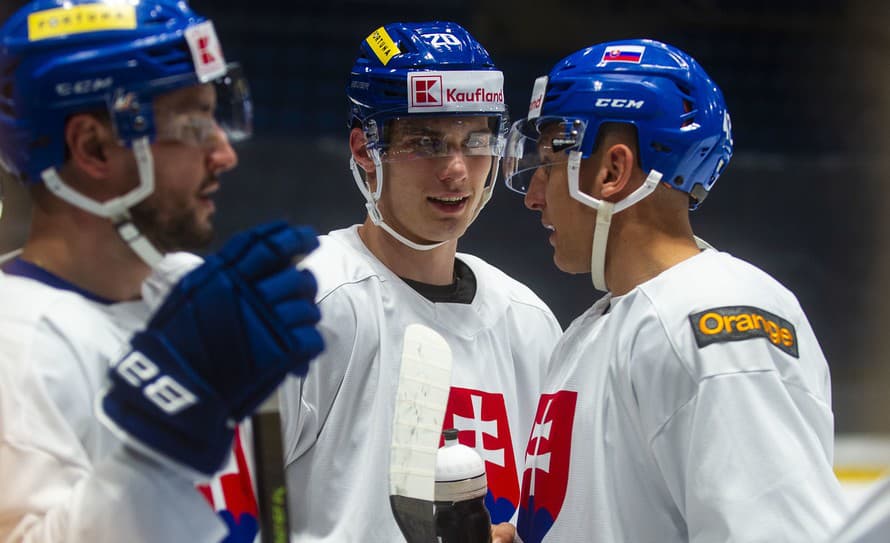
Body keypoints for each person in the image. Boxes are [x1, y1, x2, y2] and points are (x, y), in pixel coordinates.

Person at [0, 1, 323, 541]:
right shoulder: (18, 344)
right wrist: (161, 438)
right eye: (193, 124)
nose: (224, 153)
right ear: (94, 147)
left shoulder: (181, 289)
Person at [503, 39, 849, 542]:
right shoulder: (596, 330)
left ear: (611, 172)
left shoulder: (717, 318)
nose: (533, 196)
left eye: (549, 164)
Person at [279, 21, 562, 542]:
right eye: (425, 142)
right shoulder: (306, 300)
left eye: (476, 139)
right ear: (366, 150)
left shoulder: (530, 323)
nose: (456, 170)